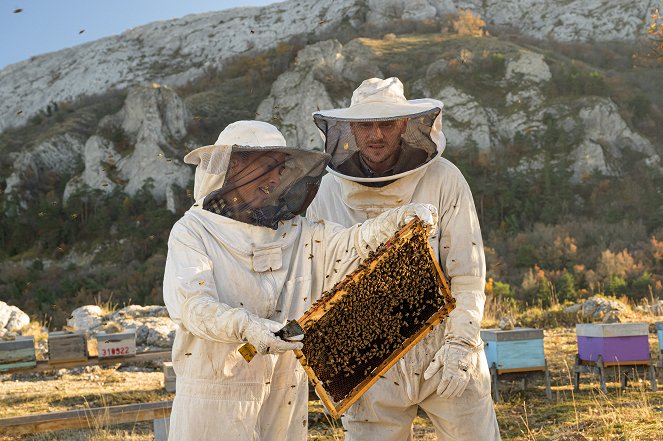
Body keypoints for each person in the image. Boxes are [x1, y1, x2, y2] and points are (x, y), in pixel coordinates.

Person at [162, 120, 438, 441]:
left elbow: (351, 244)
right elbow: (192, 306)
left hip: (284, 391)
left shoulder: (296, 231)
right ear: (235, 166)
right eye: (267, 166)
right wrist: (245, 326)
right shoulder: (194, 231)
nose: (277, 177)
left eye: (281, 168)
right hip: (215, 394)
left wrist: (395, 221)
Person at [307, 78, 501, 440]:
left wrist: (460, 344)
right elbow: (320, 277)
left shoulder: (444, 179)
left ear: (405, 126)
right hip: (368, 358)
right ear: (350, 128)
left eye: (387, 124)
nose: (376, 134)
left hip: (444, 348)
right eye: (366, 124)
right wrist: (326, 360)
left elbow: (467, 272)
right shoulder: (327, 191)